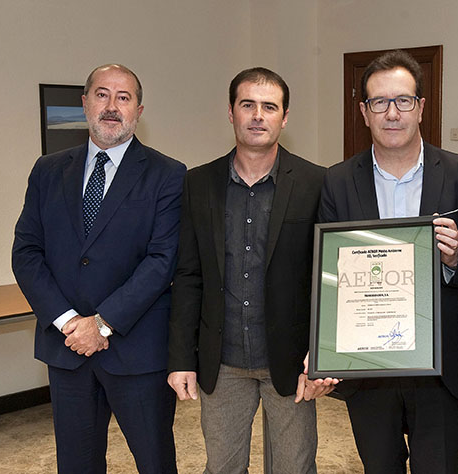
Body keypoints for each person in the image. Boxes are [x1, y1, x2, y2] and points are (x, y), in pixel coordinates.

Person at [12, 64, 186, 473]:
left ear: (139, 110)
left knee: (155, 462)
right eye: (103, 95)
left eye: (123, 98)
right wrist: (70, 322)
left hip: (137, 351)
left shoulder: (168, 174)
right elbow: (26, 252)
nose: (112, 106)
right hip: (67, 349)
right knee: (76, 464)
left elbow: (162, 261)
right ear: (85, 102)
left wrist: (102, 323)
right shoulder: (48, 170)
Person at [318, 50, 458, 473]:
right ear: (364, 112)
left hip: (440, 368)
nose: (392, 113)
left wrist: (451, 259)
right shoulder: (337, 181)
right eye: (379, 102)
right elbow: (326, 275)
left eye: (403, 101)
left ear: (421, 107)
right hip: (368, 367)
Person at [166, 67, 326, 474]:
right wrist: (181, 357)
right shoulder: (197, 183)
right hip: (223, 363)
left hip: (291, 364)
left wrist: (322, 356)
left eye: (269, 107)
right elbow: (188, 276)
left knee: (294, 467)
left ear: (284, 117)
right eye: (248, 105)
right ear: (231, 112)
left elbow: (328, 278)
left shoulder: (316, 183)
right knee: (222, 467)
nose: (258, 115)